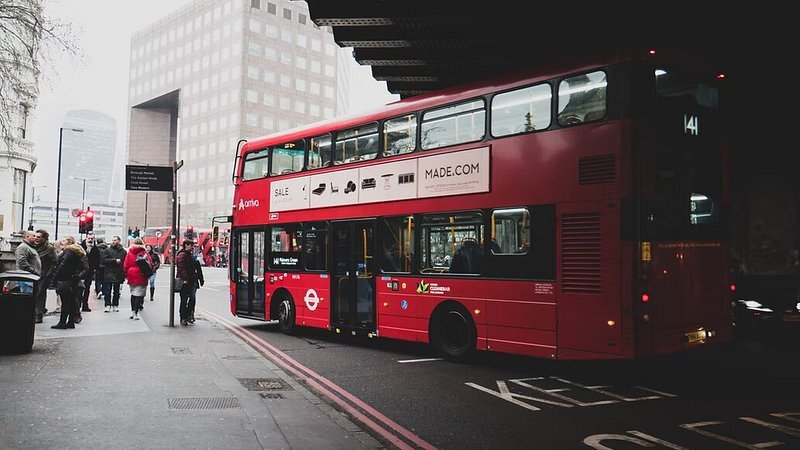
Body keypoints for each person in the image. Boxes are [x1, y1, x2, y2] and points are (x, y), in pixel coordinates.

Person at [49, 236, 89, 329]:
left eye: (64, 241)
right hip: (74, 280)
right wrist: (78, 276)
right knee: (72, 302)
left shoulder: (68, 252)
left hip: (65, 279)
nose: (62, 243)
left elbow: (62, 266)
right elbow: (86, 268)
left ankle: (62, 322)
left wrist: (54, 278)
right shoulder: (79, 251)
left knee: (65, 302)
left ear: (69, 242)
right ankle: (71, 322)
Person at [123, 238, 153, 320]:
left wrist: (126, 274)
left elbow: (125, 265)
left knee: (133, 294)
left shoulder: (129, 253)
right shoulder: (144, 252)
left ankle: (133, 311)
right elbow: (150, 263)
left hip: (131, 274)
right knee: (139, 295)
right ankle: (136, 312)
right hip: (141, 274)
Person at [33, 229, 58, 324]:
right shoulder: (33, 246)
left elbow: (54, 262)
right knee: (34, 294)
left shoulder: (49, 248)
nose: (36, 238)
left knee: (40, 294)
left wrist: (48, 274)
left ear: (44, 238)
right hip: (33, 273)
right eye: (35, 236)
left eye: (38, 237)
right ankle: (35, 312)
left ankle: (39, 314)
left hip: (44, 274)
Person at [175, 239, 199, 326]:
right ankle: (183, 318)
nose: (192, 247)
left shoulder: (191, 255)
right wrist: (186, 278)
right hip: (184, 281)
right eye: (191, 245)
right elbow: (181, 268)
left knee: (192, 299)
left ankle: (189, 315)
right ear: (186, 245)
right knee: (184, 300)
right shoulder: (182, 255)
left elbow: (196, 267)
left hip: (192, 280)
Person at [101, 235, 127, 312]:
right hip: (109, 272)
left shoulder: (123, 252)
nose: (113, 242)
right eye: (113, 240)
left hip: (118, 273)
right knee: (107, 291)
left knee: (116, 291)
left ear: (119, 241)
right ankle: (107, 305)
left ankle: (115, 305)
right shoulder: (107, 250)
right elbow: (103, 260)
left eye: (115, 240)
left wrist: (125, 273)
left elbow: (125, 263)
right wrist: (114, 260)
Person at [79, 231, 102, 312]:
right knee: (79, 288)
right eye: (89, 238)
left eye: (92, 238)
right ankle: (78, 304)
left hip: (90, 270)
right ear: (86, 238)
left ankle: (85, 304)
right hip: (81, 270)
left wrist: (96, 269)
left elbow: (97, 260)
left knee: (87, 288)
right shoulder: (80, 246)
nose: (90, 240)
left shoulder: (96, 249)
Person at [14, 230, 41, 294]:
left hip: (31, 278)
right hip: (26, 279)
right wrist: (34, 271)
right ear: (27, 236)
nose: (35, 238)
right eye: (33, 236)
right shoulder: (23, 247)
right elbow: (22, 262)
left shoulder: (30, 247)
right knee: (26, 299)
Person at [186, 251, 205, 323]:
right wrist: (201, 280)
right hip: (187, 281)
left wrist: (201, 280)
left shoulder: (195, 261)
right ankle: (187, 315)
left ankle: (190, 314)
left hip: (193, 282)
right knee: (190, 299)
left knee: (192, 298)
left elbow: (199, 271)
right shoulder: (185, 260)